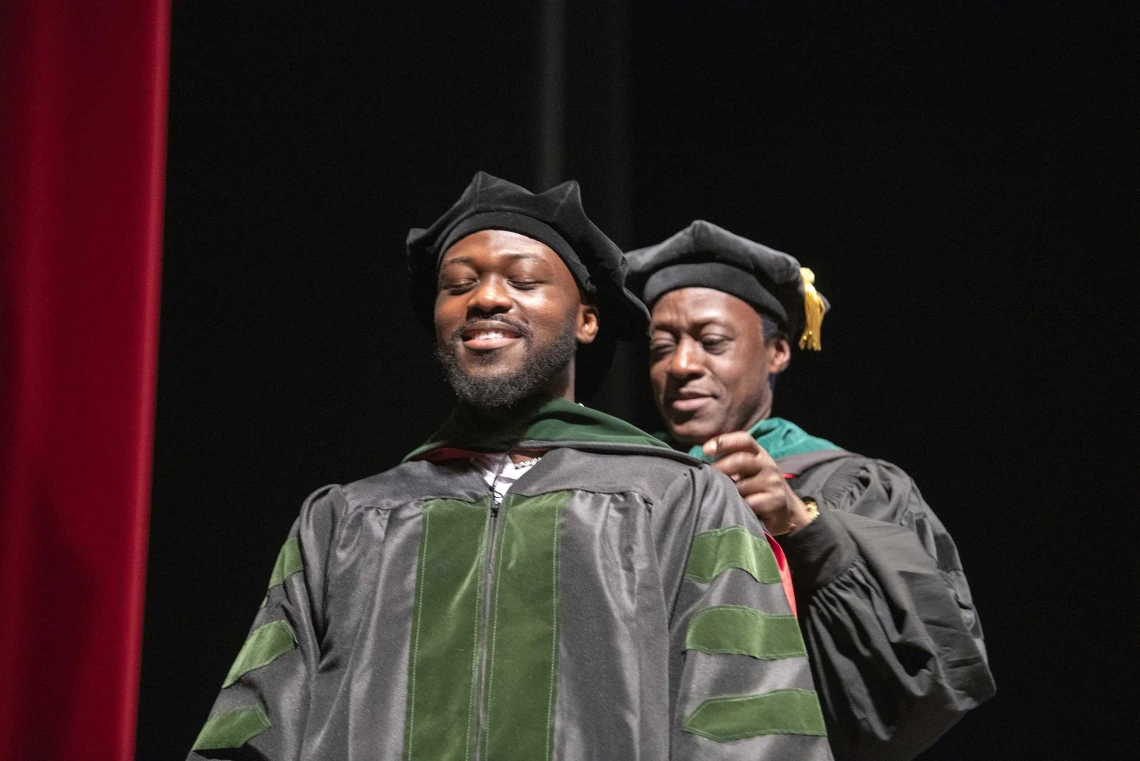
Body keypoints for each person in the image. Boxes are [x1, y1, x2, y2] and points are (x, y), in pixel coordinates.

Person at [187, 176, 834, 760]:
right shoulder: (345, 520)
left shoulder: (681, 501)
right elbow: (250, 734)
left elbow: (754, 734)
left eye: (522, 280)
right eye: (458, 283)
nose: (486, 297)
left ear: (586, 318)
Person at [625, 220, 996, 761]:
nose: (681, 365)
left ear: (777, 351)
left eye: (712, 342)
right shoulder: (624, 479)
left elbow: (930, 671)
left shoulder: (850, 485)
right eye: (662, 345)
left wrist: (801, 526)